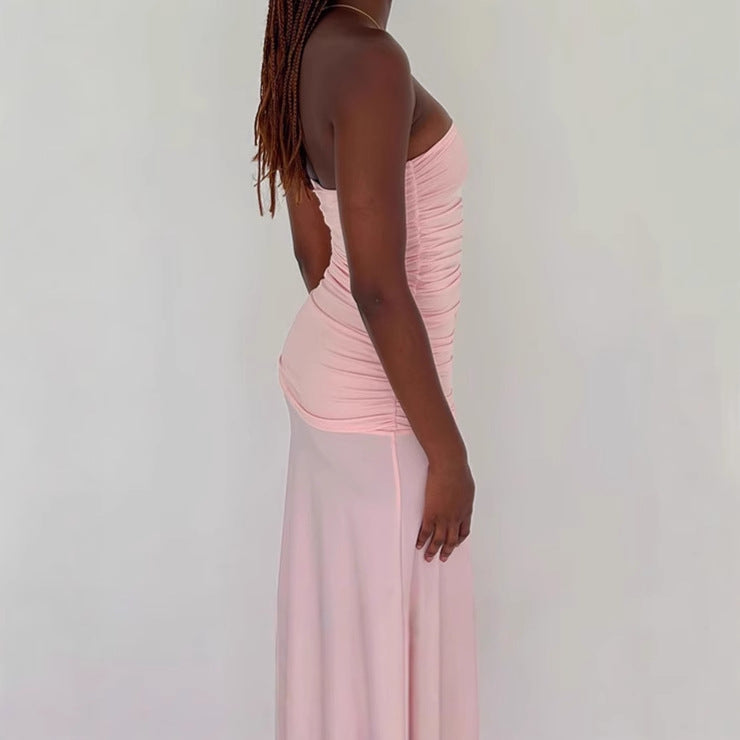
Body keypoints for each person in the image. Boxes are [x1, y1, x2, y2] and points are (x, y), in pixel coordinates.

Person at [253, 2, 479, 737]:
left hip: (333, 393)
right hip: (383, 420)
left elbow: (313, 254)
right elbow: (376, 287)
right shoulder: (374, 61)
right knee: (384, 656)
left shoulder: (304, 46)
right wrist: (447, 454)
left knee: (349, 656)